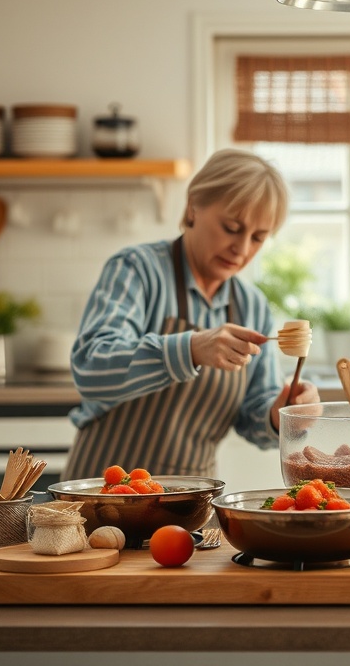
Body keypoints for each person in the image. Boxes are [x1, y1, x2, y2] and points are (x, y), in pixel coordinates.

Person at [62, 149, 320, 480]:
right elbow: (90, 368)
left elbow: (252, 420)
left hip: (189, 502)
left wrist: (281, 413)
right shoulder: (138, 270)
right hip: (103, 493)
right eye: (231, 227)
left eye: (257, 238)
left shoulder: (251, 306)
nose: (241, 249)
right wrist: (189, 349)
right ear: (193, 206)